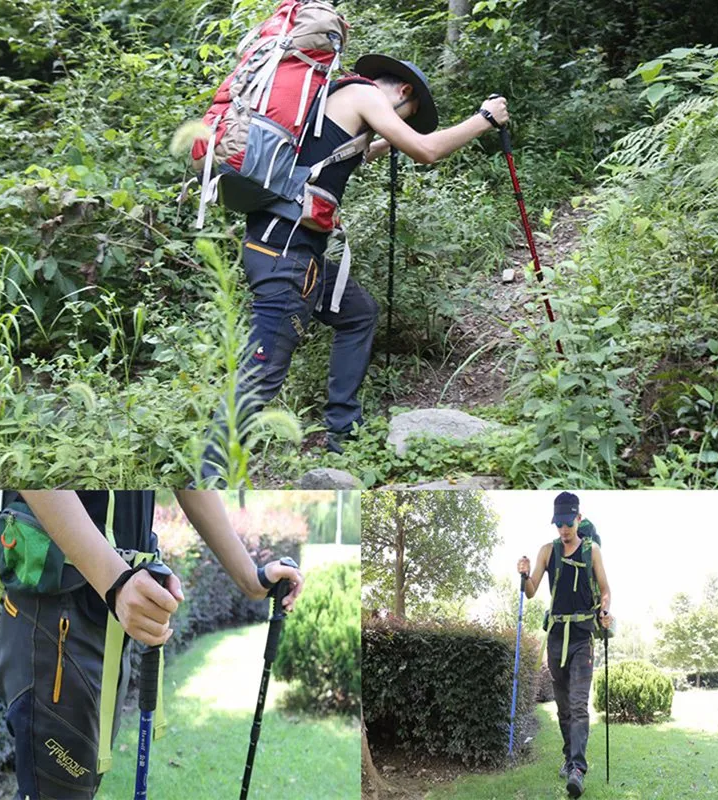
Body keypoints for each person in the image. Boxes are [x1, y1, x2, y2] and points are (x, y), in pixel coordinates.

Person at [201, 53, 510, 479]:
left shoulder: (332, 101)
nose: (402, 119)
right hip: (285, 259)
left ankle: (344, 431)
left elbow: (350, 152)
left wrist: (388, 141)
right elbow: (426, 150)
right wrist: (484, 119)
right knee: (263, 371)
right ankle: (210, 475)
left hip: (290, 251)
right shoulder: (364, 95)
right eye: (408, 114)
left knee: (358, 313)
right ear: (402, 92)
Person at [0, 490, 303, 800]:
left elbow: (185, 473)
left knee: (80, 785)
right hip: (57, 614)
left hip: (108, 615)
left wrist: (252, 577)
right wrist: (116, 582)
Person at [516, 492, 613, 799]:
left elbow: (606, 588)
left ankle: (578, 770)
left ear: (578, 519)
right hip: (557, 638)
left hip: (583, 637)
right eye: (558, 523)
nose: (563, 529)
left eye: (568, 523)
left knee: (579, 705)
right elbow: (530, 592)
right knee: (562, 708)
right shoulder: (548, 551)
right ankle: (569, 757)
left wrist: (605, 610)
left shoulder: (591, 551)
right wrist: (523, 574)